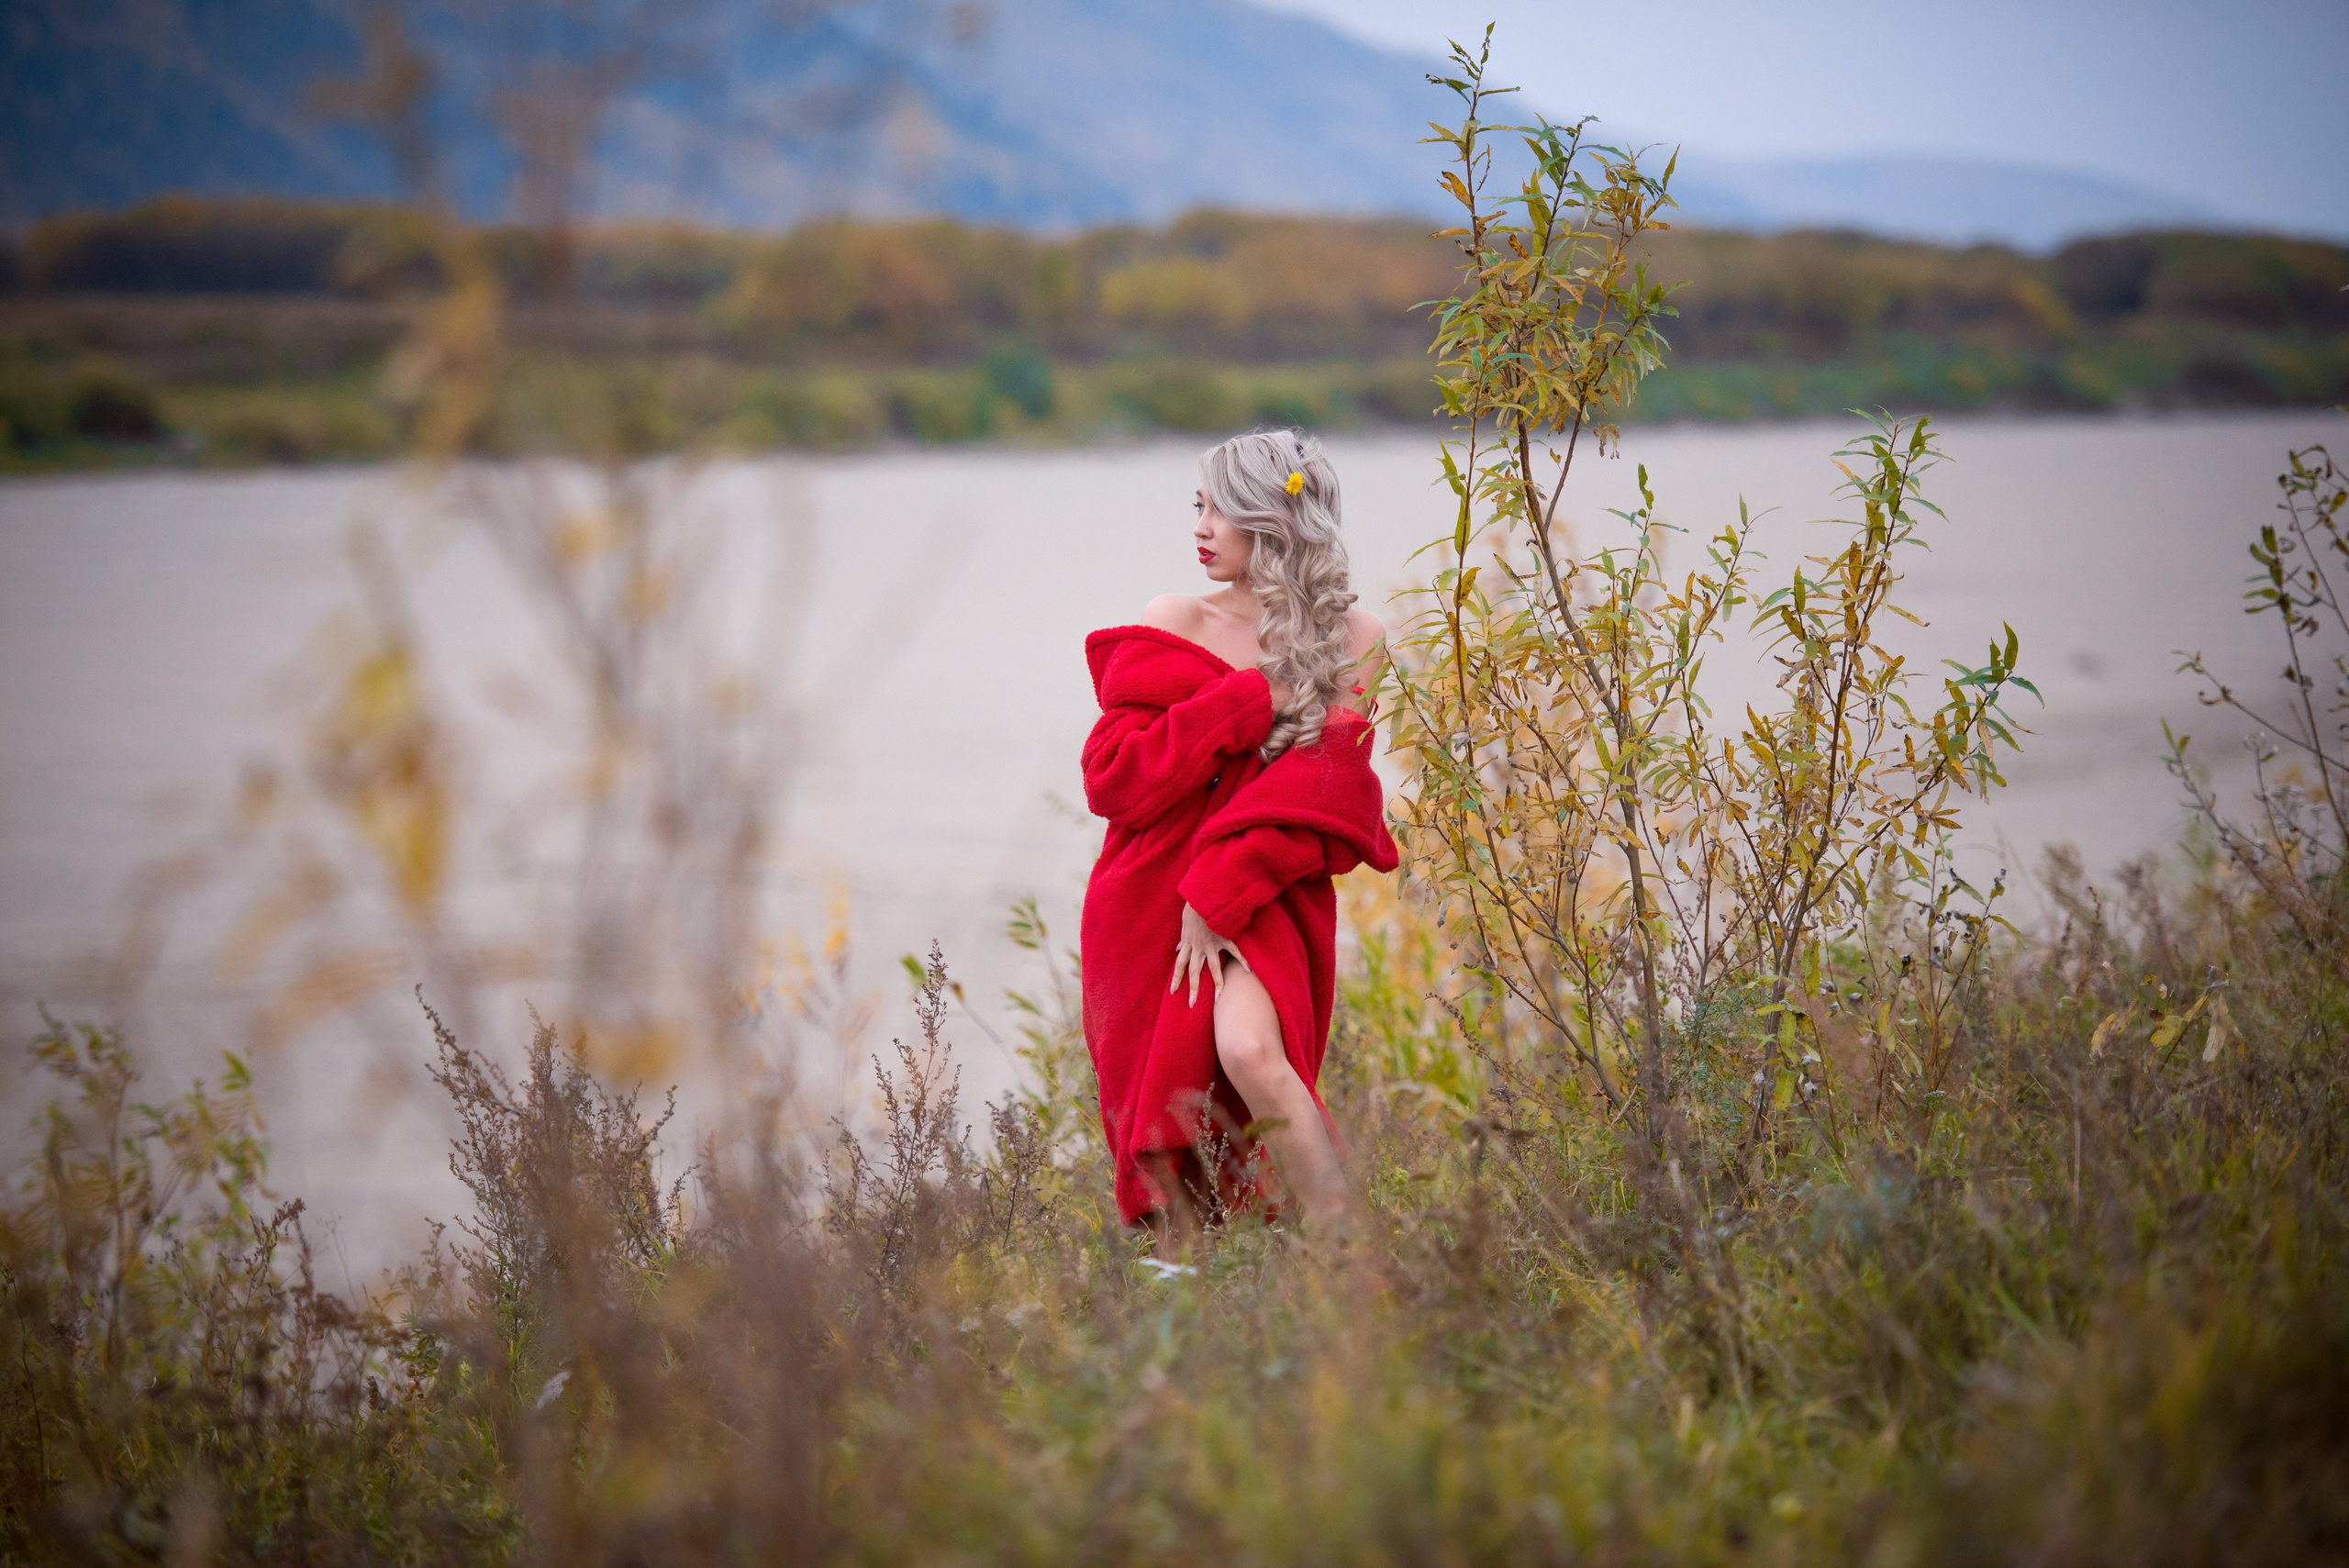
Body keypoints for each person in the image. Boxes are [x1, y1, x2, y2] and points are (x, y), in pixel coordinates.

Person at [1078, 428, 1397, 1250]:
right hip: (1149, 899)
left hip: (1266, 890)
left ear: (1274, 519)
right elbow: (1118, 779)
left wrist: (1217, 896)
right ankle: (1192, 1300)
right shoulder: (1175, 618)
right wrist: (1250, 698)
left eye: (1220, 507)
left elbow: (1329, 794)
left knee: (1252, 1050)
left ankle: (1354, 1266)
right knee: (1170, 1125)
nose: (1201, 524)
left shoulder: (1355, 639)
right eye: (1199, 505)